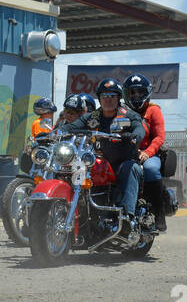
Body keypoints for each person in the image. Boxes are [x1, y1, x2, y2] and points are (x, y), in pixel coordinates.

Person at [70, 78, 144, 220]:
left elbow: (139, 128)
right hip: (97, 162)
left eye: (112, 96)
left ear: (119, 98)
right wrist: (51, 134)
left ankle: (127, 217)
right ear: (99, 98)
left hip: (122, 163)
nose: (108, 100)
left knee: (131, 167)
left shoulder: (128, 115)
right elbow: (71, 127)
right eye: (104, 96)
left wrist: (134, 135)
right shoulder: (92, 117)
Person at [124, 73, 168, 232]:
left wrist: (148, 153)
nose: (136, 96)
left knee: (150, 169)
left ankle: (159, 213)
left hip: (149, 155)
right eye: (132, 92)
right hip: (126, 153)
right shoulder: (122, 112)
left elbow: (159, 136)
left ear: (147, 92)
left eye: (140, 92)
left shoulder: (153, 110)